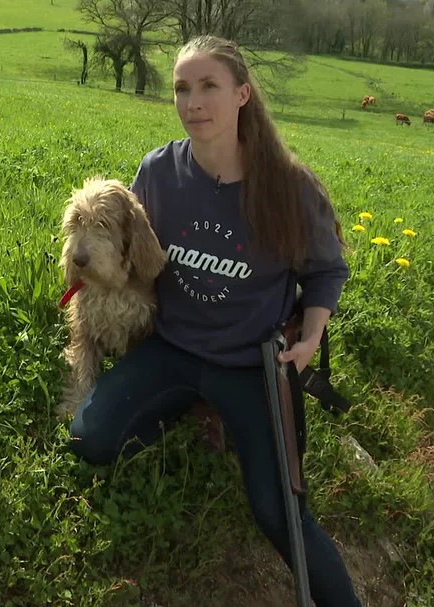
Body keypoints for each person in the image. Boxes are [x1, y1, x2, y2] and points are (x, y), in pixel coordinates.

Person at [68, 35, 362, 607]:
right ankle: (193, 412)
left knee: (280, 513)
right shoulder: (157, 173)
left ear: (243, 95)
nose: (193, 101)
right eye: (182, 88)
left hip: (250, 363)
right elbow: (130, 253)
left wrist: (310, 338)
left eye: (209, 86)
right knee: (91, 439)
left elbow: (326, 271)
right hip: (171, 347)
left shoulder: (290, 187)